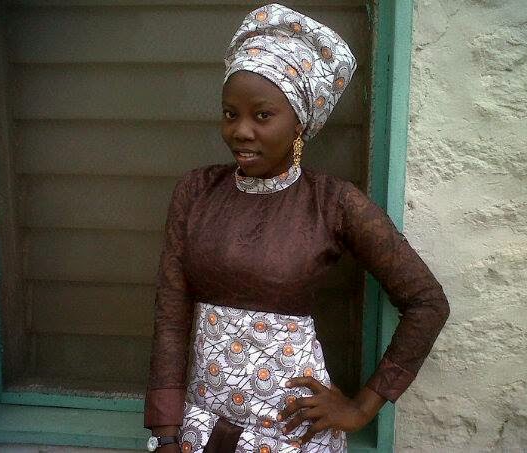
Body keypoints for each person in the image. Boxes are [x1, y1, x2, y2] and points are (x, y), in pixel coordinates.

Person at [143, 3, 449, 453]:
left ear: (299, 123)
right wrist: (166, 431)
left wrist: (362, 408)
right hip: (201, 429)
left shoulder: (333, 203)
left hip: (291, 435)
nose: (240, 131)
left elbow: (427, 302)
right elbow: (172, 315)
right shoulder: (197, 191)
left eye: (262, 115)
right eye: (230, 114)